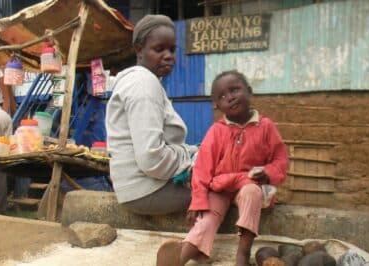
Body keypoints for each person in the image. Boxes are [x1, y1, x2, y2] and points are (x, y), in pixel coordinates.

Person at [156, 70, 289, 266]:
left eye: (235, 90)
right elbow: (202, 169)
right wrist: (198, 200)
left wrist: (268, 173)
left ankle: (242, 254)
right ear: (216, 105)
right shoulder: (216, 131)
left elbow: (280, 159)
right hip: (220, 187)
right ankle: (182, 255)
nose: (231, 97)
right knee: (207, 218)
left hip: (250, 186)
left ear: (249, 92)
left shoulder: (266, 127)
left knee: (252, 192)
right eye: (223, 96)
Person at [106, 14, 197, 215]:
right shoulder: (144, 84)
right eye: (159, 49)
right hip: (146, 190)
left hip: (138, 187)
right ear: (139, 49)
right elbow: (151, 159)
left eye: (172, 50)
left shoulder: (140, 80)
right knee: (219, 193)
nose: (168, 56)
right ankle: (192, 247)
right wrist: (188, 158)